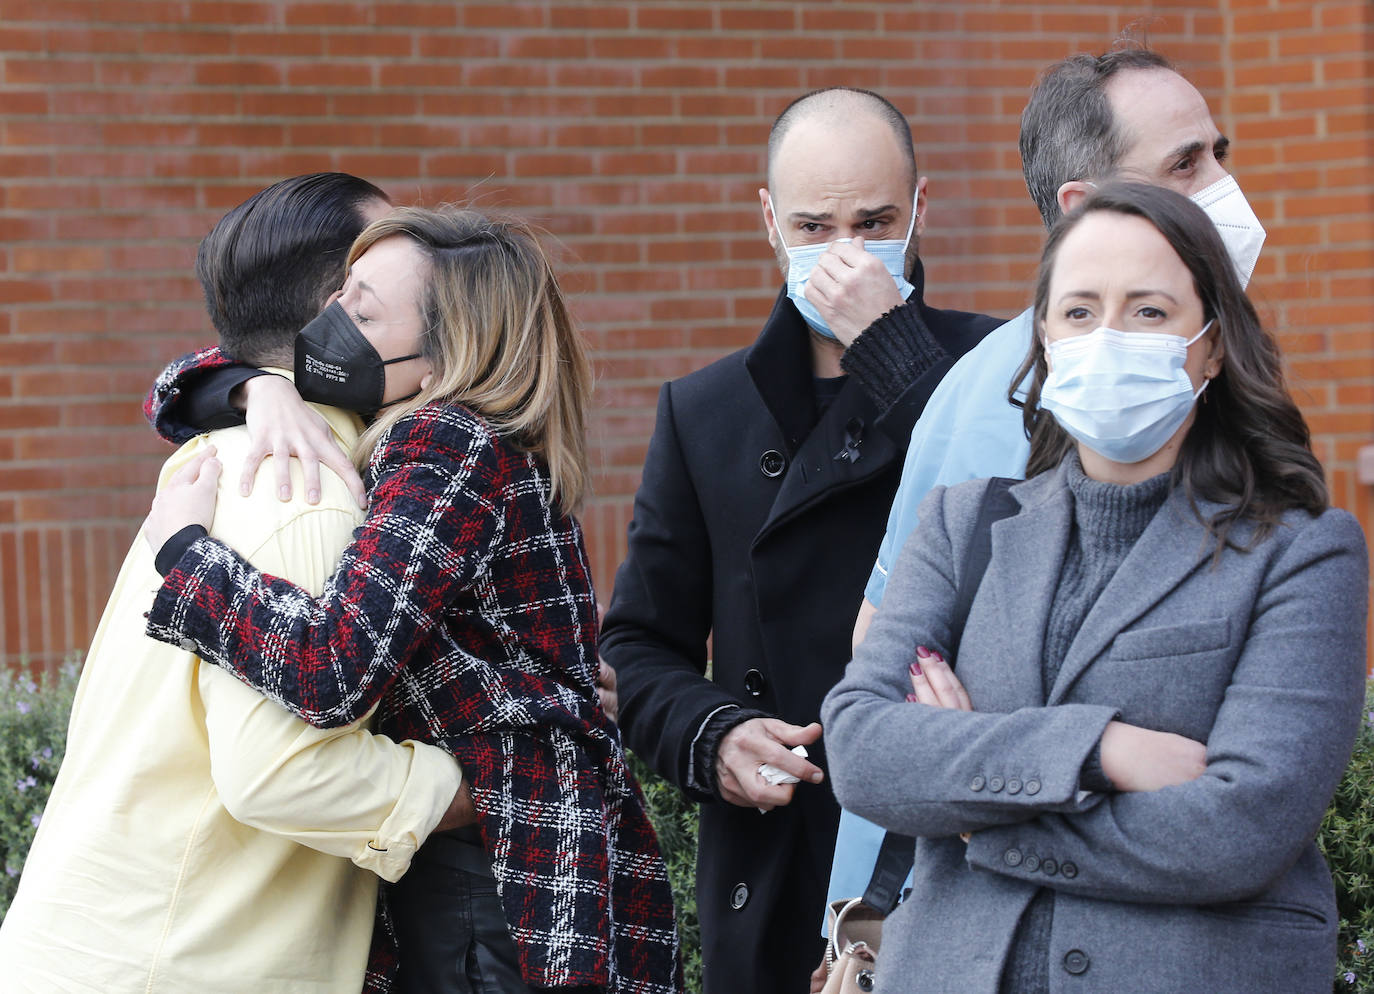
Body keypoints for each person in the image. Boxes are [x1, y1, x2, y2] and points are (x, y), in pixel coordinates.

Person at [822, 181, 1367, 993]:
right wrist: (1103, 749)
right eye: (1079, 312)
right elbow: (863, 751)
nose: (1108, 336)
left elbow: (1240, 828)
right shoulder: (962, 524)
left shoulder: (1300, 551)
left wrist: (978, 819)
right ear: (1044, 335)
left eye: (1149, 312)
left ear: (1212, 346)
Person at [141, 206, 682, 994]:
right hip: (495, 855)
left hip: (496, 874)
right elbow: (171, 387)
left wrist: (185, 556)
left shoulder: (448, 444)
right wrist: (257, 388)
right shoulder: (459, 428)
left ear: (442, 357)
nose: (327, 324)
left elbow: (332, 667)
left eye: (362, 312)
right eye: (341, 294)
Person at [0, 173, 470, 994]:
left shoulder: (215, 456)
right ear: (345, 307)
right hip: (176, 965)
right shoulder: (304, 490)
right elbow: (278, 772)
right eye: (393, 256)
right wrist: (476, 786)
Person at [828, 45, 1273, 909]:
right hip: (967, 917)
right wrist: (1071, 762)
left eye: (1220, 155)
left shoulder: (1193, 379)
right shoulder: (1039, 399)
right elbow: (891, 684)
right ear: (1084, 208)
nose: (1224, 190)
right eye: (1186, 164)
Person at [597, 87, 1001, 994]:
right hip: (777, 856)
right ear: (770, 221)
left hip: (946, 839)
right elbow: (639, 643)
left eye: (876, 220)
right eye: (816, 225)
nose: (846, 253)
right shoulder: (705, 412)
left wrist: (893, 352)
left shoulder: (991, 372)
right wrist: (713, 736)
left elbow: (1017, 526)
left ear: (921, 211)